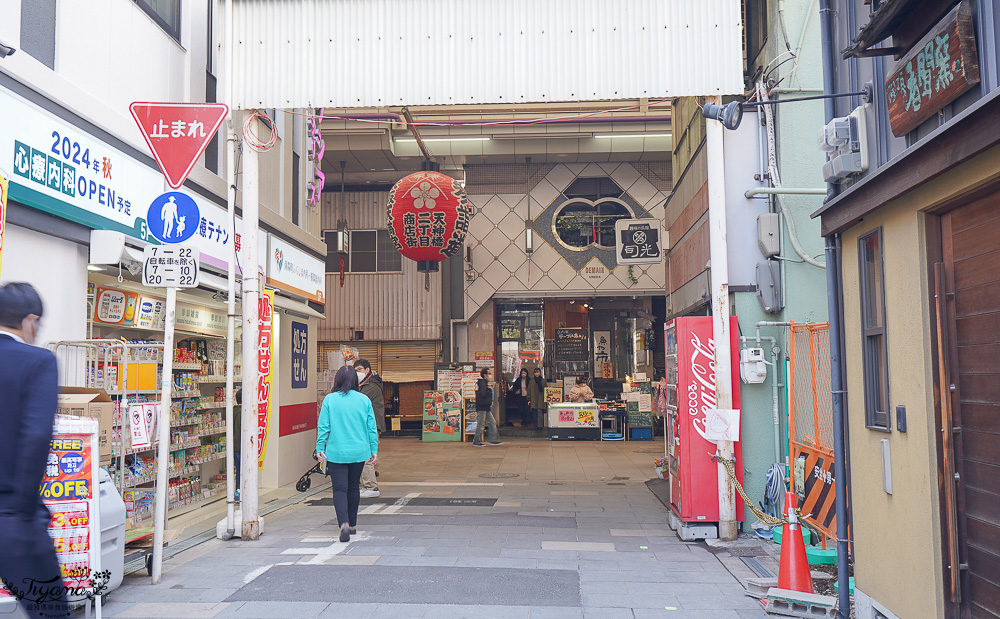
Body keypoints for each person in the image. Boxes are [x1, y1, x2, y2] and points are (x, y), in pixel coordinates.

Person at [0, 283, 69, 618]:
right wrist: (26, 512)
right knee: (50, 610)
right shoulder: (38, 361)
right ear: (29, 321)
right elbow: (36, 435)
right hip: (12, 516)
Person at [316, 365, 379, 542]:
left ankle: (343, 523)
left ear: (337, 380)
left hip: (336, 452)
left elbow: (323, 427)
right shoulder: (364, 400)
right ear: (355, 381)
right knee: (353, 488)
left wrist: (320, 448)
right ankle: (352, 525)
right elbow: (371, 427)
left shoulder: (330, 400)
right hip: (359, 452)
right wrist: (374, 449)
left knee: (339, 489)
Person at [353, 359, 384, 499]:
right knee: (365, 456)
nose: (357, 373)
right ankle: (366, 485)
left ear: (367, 370)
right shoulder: (364, 385)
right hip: (366, 425)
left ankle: (372, 487)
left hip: (371, 426)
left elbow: (357, 401)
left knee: (366, 457)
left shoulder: (370, 386)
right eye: (355, 370)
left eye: (359, 369)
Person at [472, 368, 502, 447]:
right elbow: (483, 394)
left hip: (486, 407)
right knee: (481, 424)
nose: (490, 375)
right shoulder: (482, 383)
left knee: (492, 422)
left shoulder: (485, 383)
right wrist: (489, 390)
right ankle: (476, 441)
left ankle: (493, 440)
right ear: (484, 375)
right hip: (482, 407)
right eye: (489, 373)